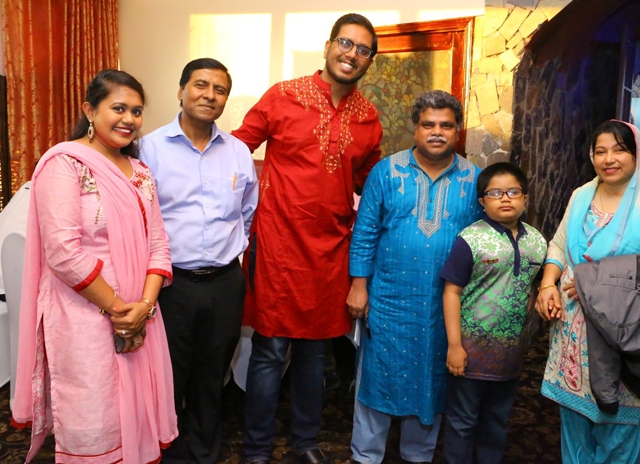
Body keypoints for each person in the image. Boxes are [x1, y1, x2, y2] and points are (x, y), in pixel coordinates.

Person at [231, 13, 382, 464]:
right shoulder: (283, 95)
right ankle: (256, 449)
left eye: (363, 50)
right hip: (277, 244)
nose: (352, 54)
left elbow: (370, 182)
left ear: (369, 61)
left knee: (315, 353)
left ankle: (305, 442)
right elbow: (236, 151)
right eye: (346, 43)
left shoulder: (367, 117)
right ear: (328, 45)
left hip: (330, 250)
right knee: (270, 349)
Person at [11, 69, 177, 463]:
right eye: (118, 108)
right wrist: (121, 311)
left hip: (140, 315)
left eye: (137, 111)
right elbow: (63, 252)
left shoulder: (141, 172)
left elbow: (158, 244)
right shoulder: (64, 164)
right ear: (89, 110)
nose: (129, 119)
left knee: (136, 414)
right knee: (94, 414)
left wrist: (144, 308)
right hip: (84, 315)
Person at [535, 120, 640, 463]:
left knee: (618, 435)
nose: (608, 159)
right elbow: (558, 245)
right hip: (572, 332)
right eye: (600, 151)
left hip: (624, 333)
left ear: (636, 154)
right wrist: (548, 283)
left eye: (619, 150)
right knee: (575, 429)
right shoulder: (582, 195)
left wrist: (599, 283)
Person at [347, 90, 483, 464]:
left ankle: (418, 454)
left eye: (446, 126)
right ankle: (366, 456)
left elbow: (481, 239)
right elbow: (365, 231)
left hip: (445, 304)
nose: (437, 132)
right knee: (376, 377)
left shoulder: (474, 179)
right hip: (389, 299)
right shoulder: (386, 172)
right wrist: (359, 285)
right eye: (428, 124)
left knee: (432, 379)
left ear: (458, 130)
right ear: (415, 128)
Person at [139, 58, 258, 464]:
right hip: (170, 285)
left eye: (219, 89)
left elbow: (247, 212)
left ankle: (205, 452)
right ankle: (167, 452)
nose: (210, 95)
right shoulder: (149, 149)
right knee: (167, 375)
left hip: (224, 283)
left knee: (212, 375)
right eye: (200, 85)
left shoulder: (238, 152)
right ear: (181, 90)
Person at [440, 162, 547, 464]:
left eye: (513, 192)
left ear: (525, 198)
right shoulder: (470, 239)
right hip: (470, 353)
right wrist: (454, 345)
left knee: (497, 420)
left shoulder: (537, 241)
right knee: (462, 421)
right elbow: (451, 292)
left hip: (511, 353)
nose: (505, 198)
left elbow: (536, 285)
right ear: (482, 202)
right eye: (495, 193)